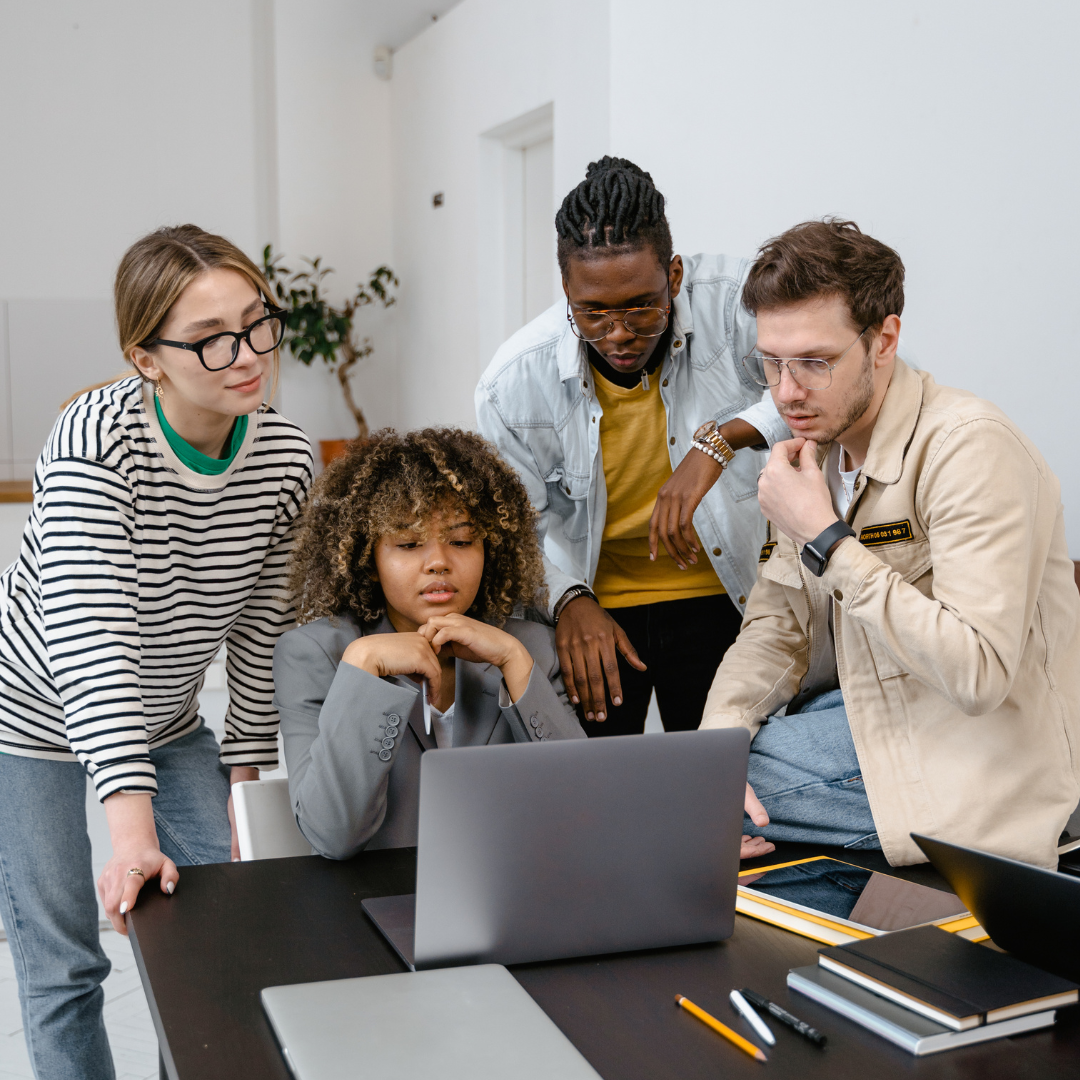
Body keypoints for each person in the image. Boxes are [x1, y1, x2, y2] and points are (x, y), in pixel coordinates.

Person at [0, 225, 312, 1079]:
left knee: (222, 932)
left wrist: (245, 783)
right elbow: (91, 641)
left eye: (257, 322)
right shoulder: (94, 444)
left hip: (168, 719)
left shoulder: (285, 457)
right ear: (147, 359)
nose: (247, 354)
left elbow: (264, 631)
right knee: (67, 964)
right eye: (211, 339)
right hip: (28, 718)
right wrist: (131, 832)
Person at [701, 218, 1080, 869]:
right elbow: (776, 629)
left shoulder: (969, 446)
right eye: (772, 362)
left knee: (672, 806)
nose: (786, 391)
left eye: (815, 362)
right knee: (694, 782)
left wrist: (826, 538)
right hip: (864, 715)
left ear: (884, 340)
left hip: (985, 755)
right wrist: (717, 746)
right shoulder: (812, 455)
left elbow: (978, 673)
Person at [476, 157, 789, 736]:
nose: (618, 333)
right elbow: (515, 528)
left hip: (731, 593)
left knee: (723, 777)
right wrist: (568, 599)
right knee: (594, 782)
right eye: (592, 312)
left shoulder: (738, 304)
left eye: (641, 306)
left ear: (675, 275)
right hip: (596, 609)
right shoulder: (512, 383)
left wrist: (720, 442)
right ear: (566, 289)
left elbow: (823, 382)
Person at [274, 428, 586, 859]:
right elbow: (332, 836)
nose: (439, 561)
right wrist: (363, 664)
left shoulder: (532, 648)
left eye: (461, 541)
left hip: (509, 891)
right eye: (408, 543)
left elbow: (582, 811)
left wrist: (514, 661)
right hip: (377, 895)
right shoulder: (314, 655)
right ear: (369, 557)